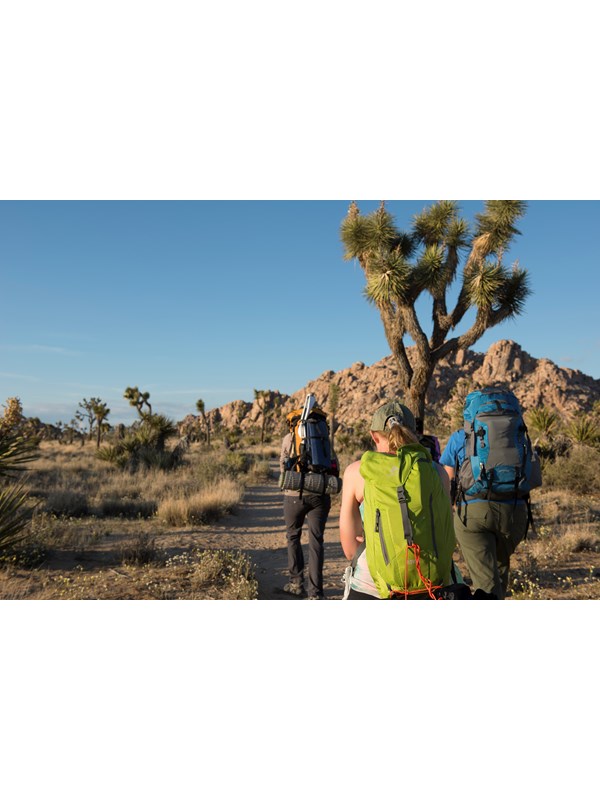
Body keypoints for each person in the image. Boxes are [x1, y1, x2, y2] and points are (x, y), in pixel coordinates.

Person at [339, 400, 454, 600]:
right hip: (433, 583)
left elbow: (350, 550)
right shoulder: (437, 472)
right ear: (415, 433)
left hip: (374, 585)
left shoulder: (357, 472)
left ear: (374, 437)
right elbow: (445, 529)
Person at [440, 413, 530, 600]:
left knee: (486, 582)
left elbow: (447, 482)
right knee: (500, 569)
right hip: (515, 510)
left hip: (473, 512)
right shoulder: (517, 435)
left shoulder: (459, 437)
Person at [279, 429, 333, 599]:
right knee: (316, 541)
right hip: (319, 495)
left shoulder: (289, 438)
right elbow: (333, 465)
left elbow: (283, 465)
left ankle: (296, 584)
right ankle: (316, 593)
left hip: (294, 496)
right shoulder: (322, 436)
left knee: (293, 536)